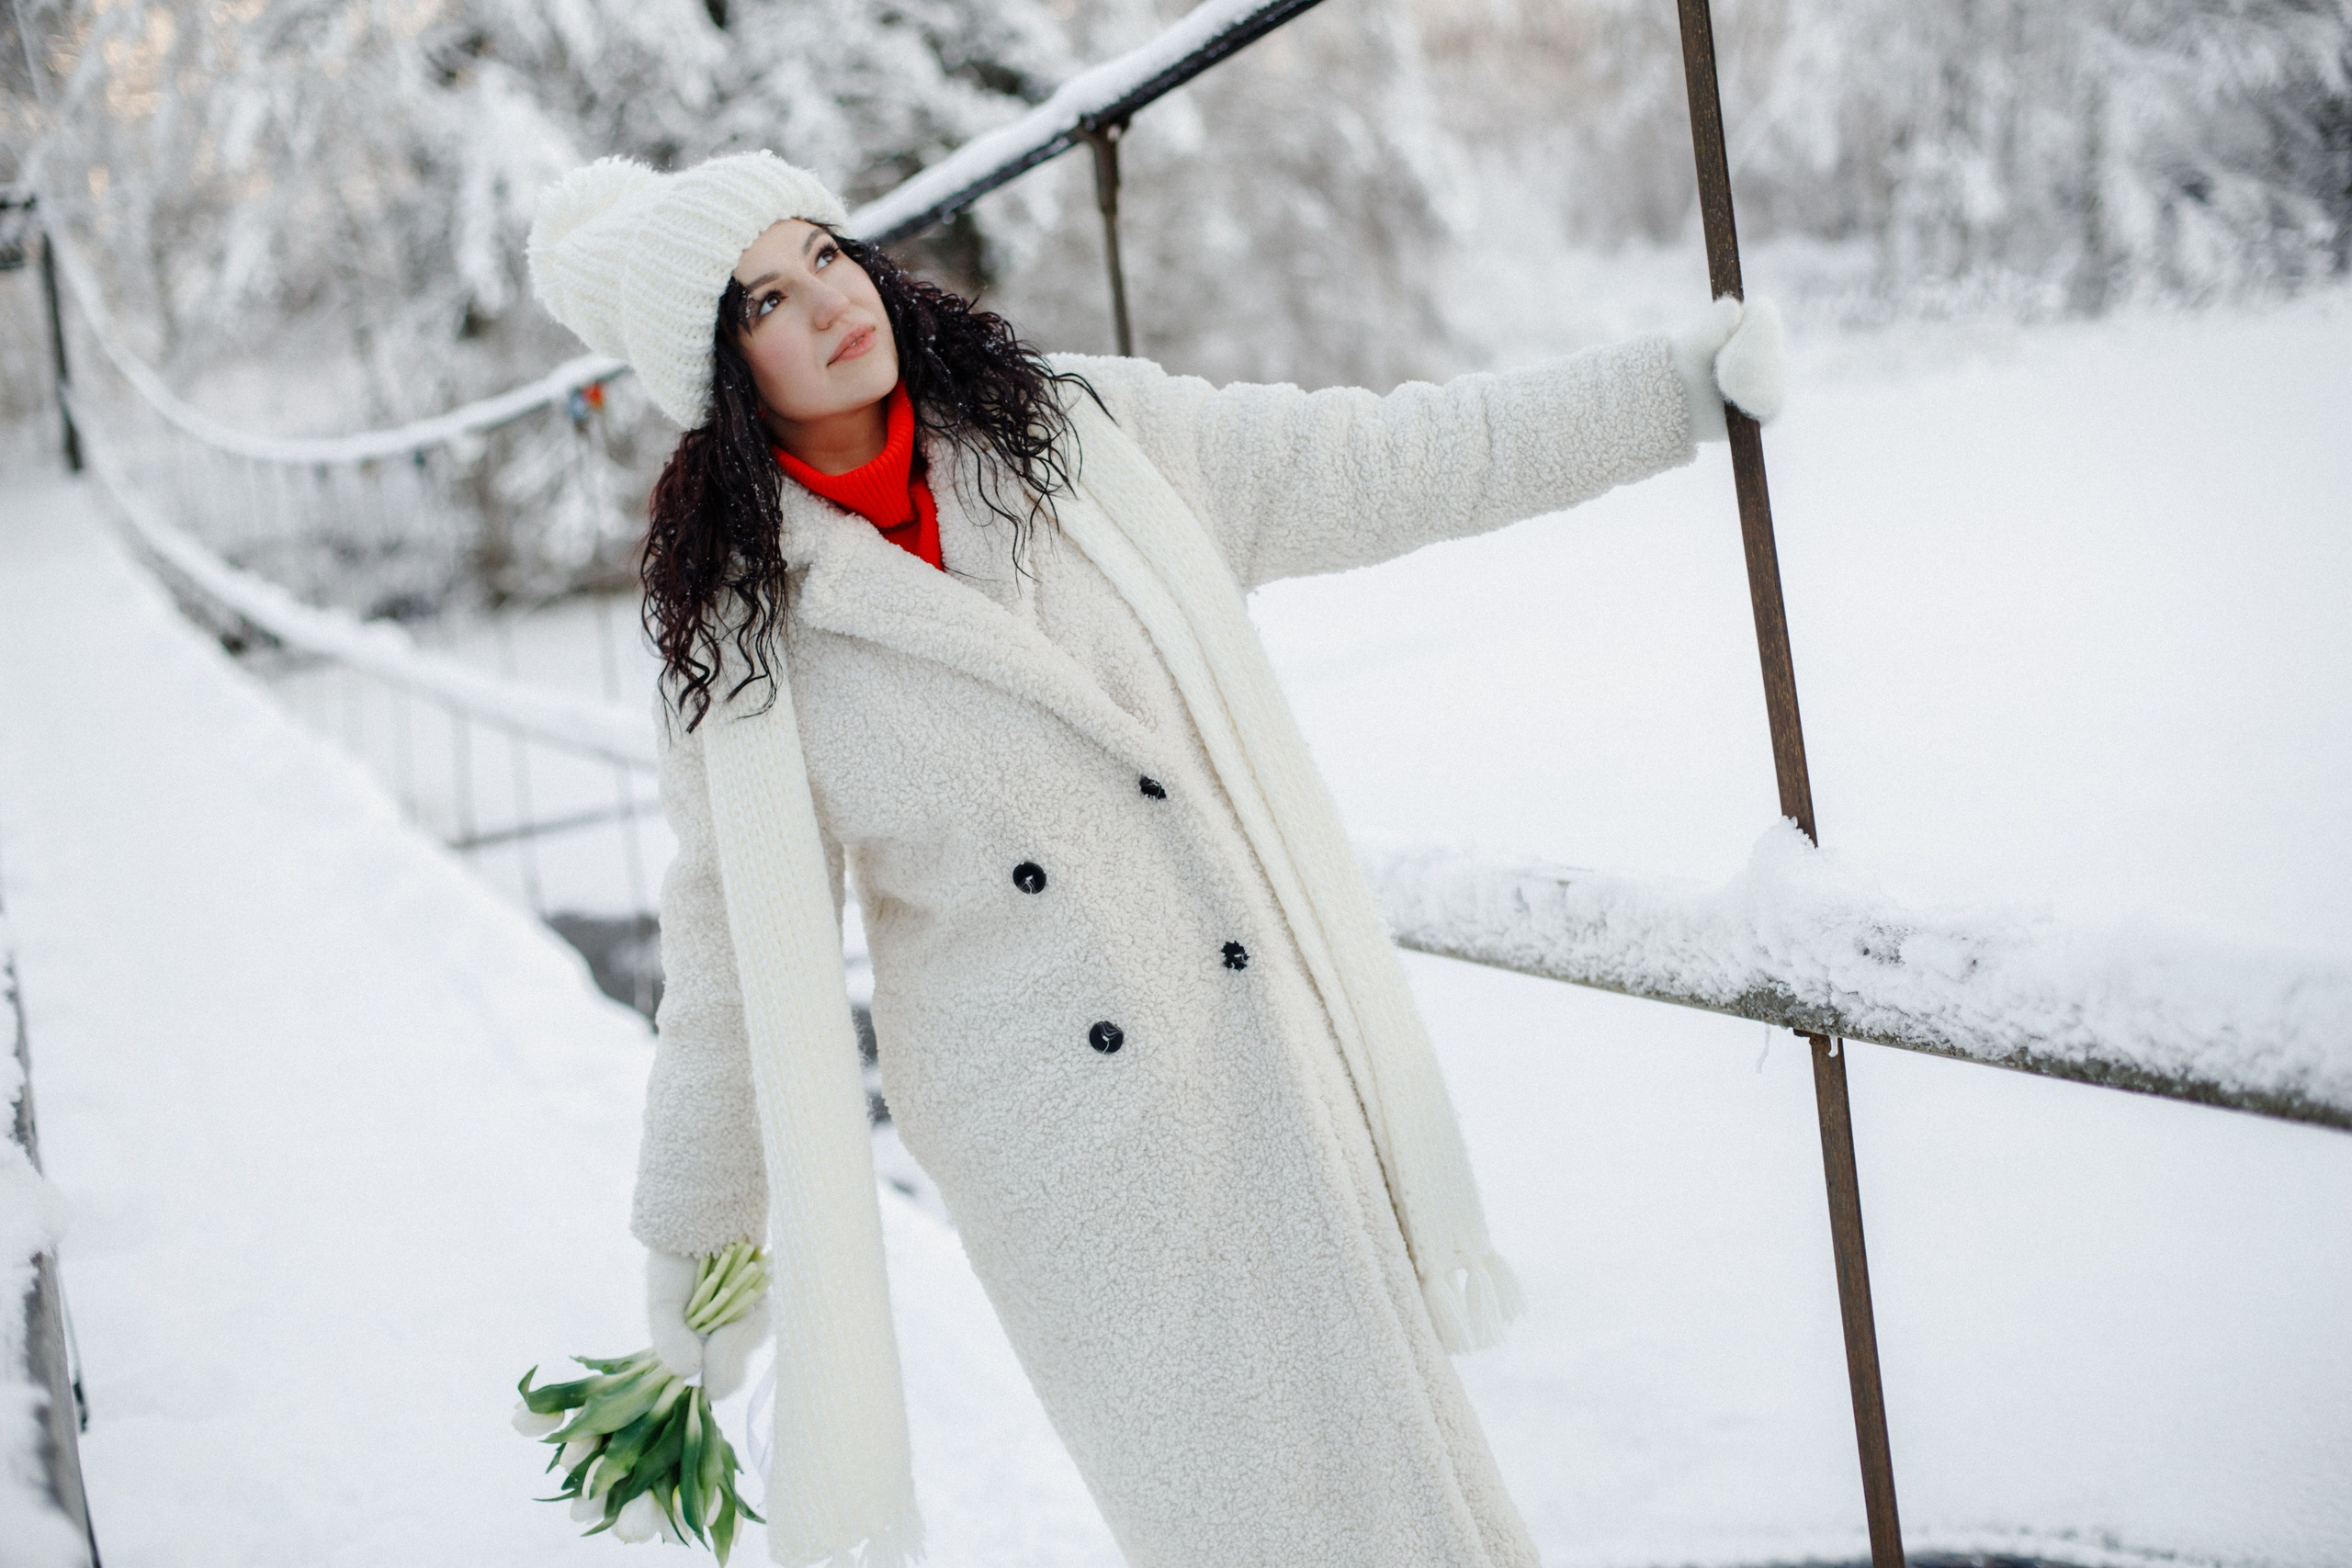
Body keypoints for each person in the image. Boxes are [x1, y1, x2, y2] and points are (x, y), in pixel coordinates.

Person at [526, 150, 1782, 1568]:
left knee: (1393, 1479)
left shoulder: (1080, 440)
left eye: (825, 251)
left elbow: (1388, 461)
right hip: (1051, 1145)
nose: (827, 302)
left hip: (1248, 1038)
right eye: (763, 297)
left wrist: (1671, 392)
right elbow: (732, 975)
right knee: (1230, 1520)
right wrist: (692, 1273)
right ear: (720, 368)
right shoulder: (748, 637)